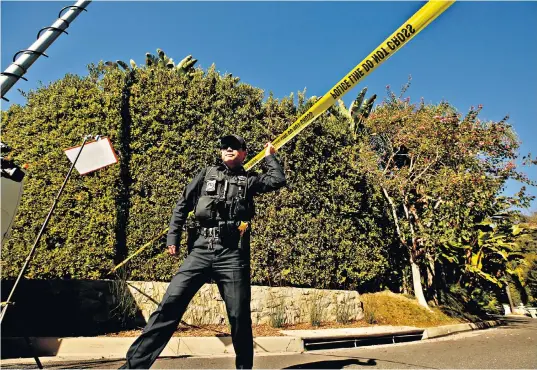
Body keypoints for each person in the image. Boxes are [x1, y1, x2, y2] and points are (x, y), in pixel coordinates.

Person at [120, 134, 287, 369]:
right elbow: (183, 204)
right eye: (224, 146)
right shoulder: (206, 174)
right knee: (169, 305)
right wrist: (173, 237)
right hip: (201, 250)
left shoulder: (249, 180)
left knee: (239, 317)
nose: (228, 149)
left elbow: (277, 180)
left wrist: (270, 157)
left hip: (232, 254)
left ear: (244, 153)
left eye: (235, 146)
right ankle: (133, 367)